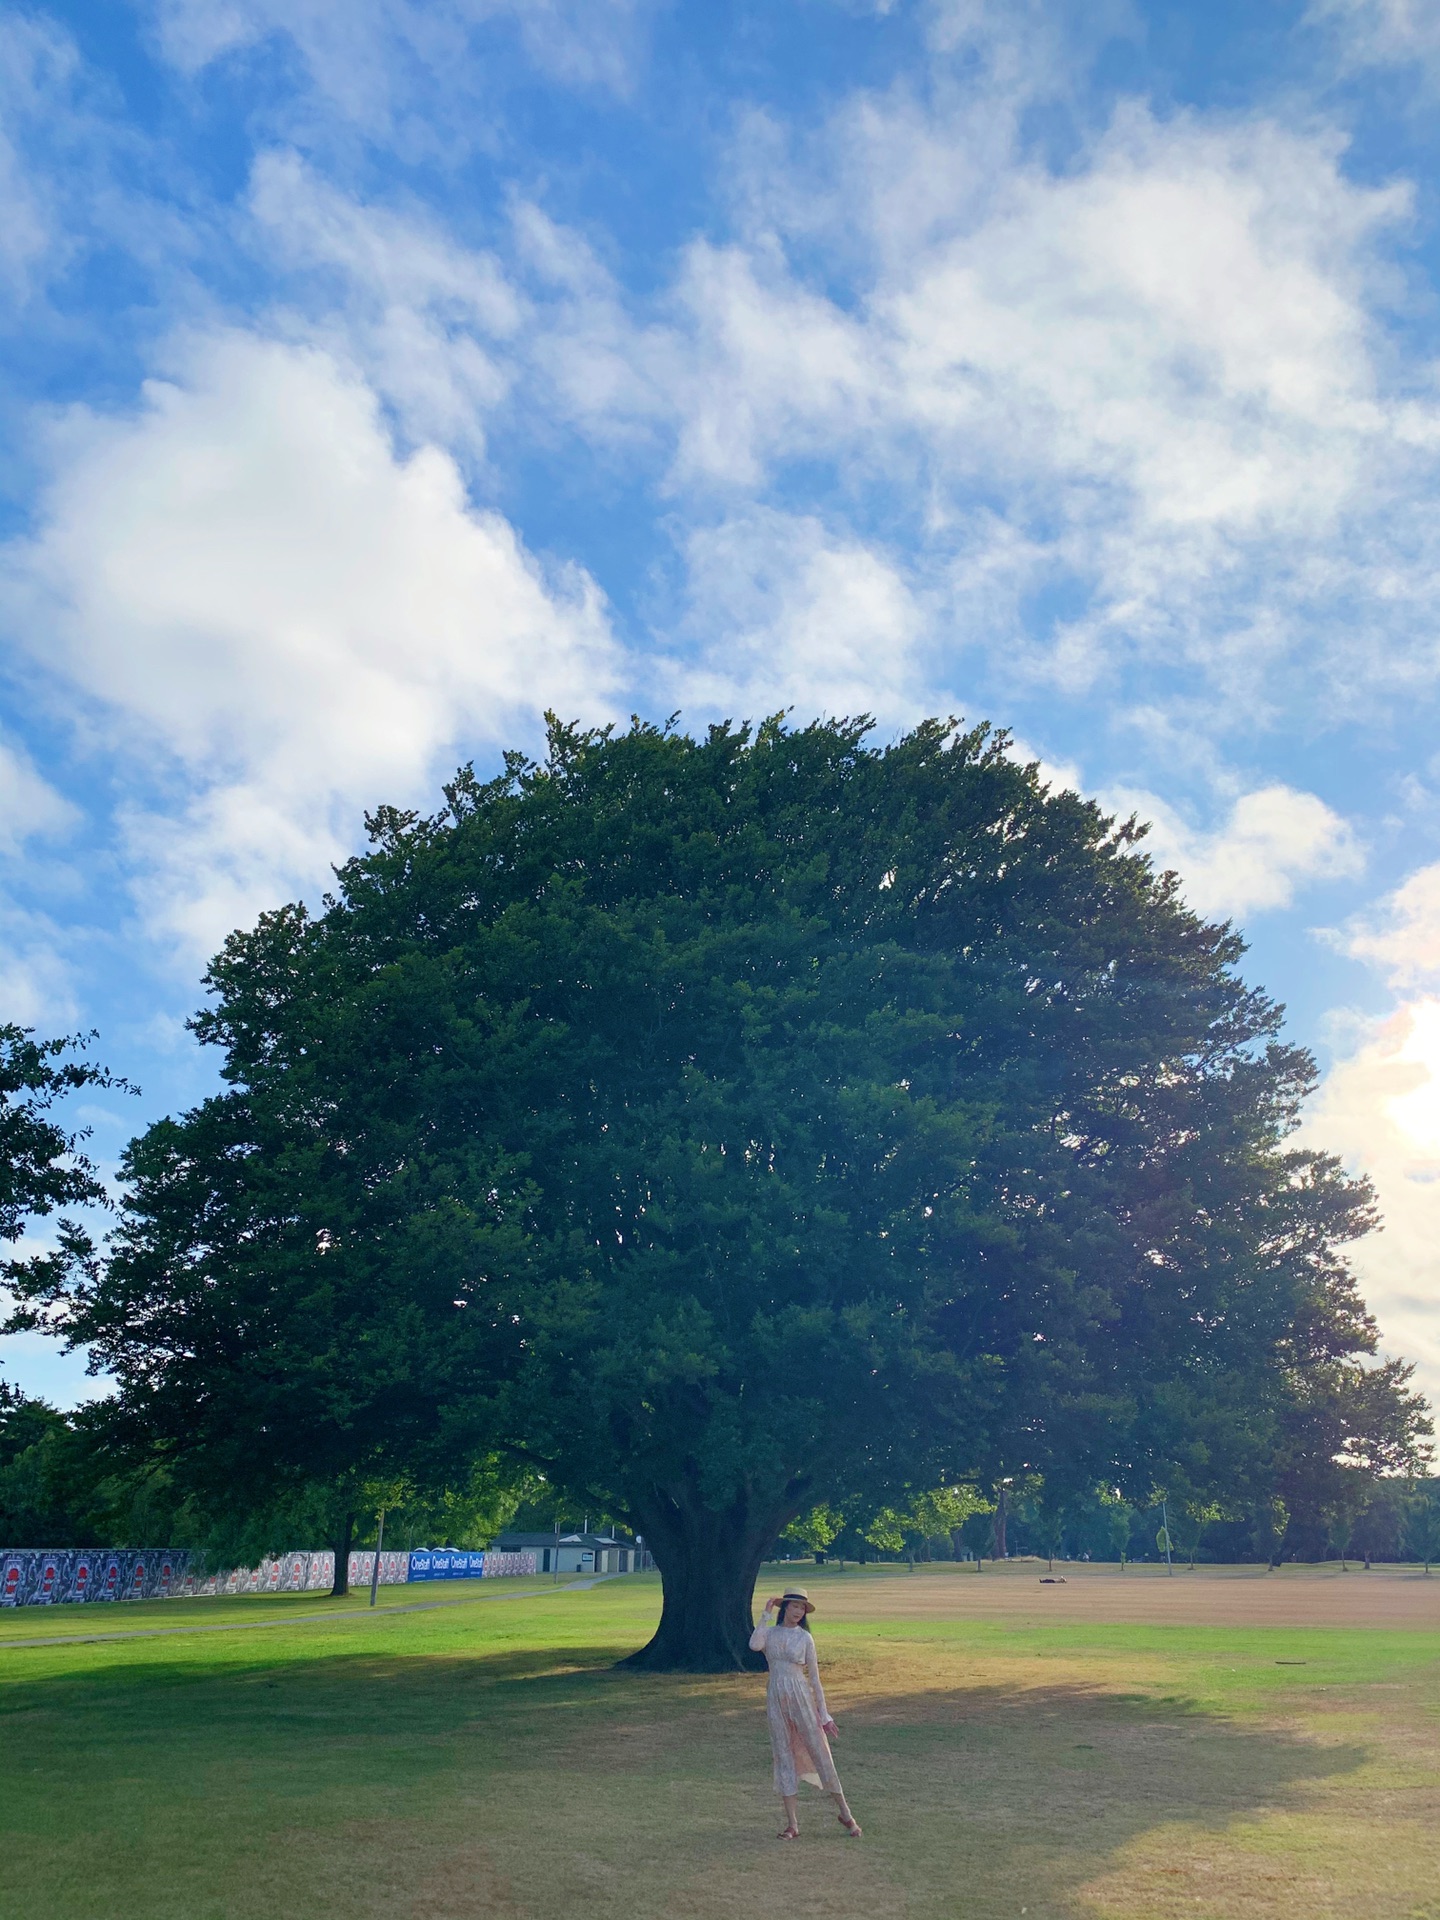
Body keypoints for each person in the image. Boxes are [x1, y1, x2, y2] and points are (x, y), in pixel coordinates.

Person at [749, 1587, 862, 1840]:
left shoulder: (805, 1639)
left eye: (802, 1608)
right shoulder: (771, 1633)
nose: (798, 1612)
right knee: (783, 1754)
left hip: (801, 1696)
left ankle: (846, 1814)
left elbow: (815, 1680)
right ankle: (792, 1825)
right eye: (794, 1606)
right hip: (776, 1699)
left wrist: (825, 1715)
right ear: (785, 1608)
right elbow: (755, 1645)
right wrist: (765, 1614)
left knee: (819, 1751)